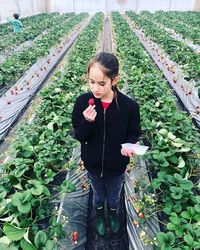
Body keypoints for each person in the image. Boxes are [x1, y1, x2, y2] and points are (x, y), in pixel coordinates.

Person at [72, 52, 141, 237]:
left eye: (102, 83)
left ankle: (112, 214)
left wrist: (130, 146)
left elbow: (134, 132)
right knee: (98, 195)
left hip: (117, 166)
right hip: (93, 165)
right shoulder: (82, 104)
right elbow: (79, 136)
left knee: (113, 196)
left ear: (114, 80)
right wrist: (87, 121)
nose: (96, 88)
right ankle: (100, 215)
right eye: (91, 82)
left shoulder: (129, 107)